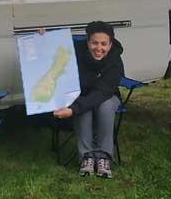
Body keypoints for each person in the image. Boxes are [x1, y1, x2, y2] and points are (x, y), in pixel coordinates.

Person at [49, 21, 125, 178]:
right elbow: (52, 48)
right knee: (84, 108)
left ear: (110, 45)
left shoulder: (115, 61)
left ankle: (103, 157)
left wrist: (72, 110)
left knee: (102, 105)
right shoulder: (76, 51)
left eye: (104, 44)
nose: (99, 48)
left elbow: (102, 93)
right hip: (80, 95)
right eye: (94, 43)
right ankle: (87, 156)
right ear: (87, 41)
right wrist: (43, 37)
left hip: (107, 96)